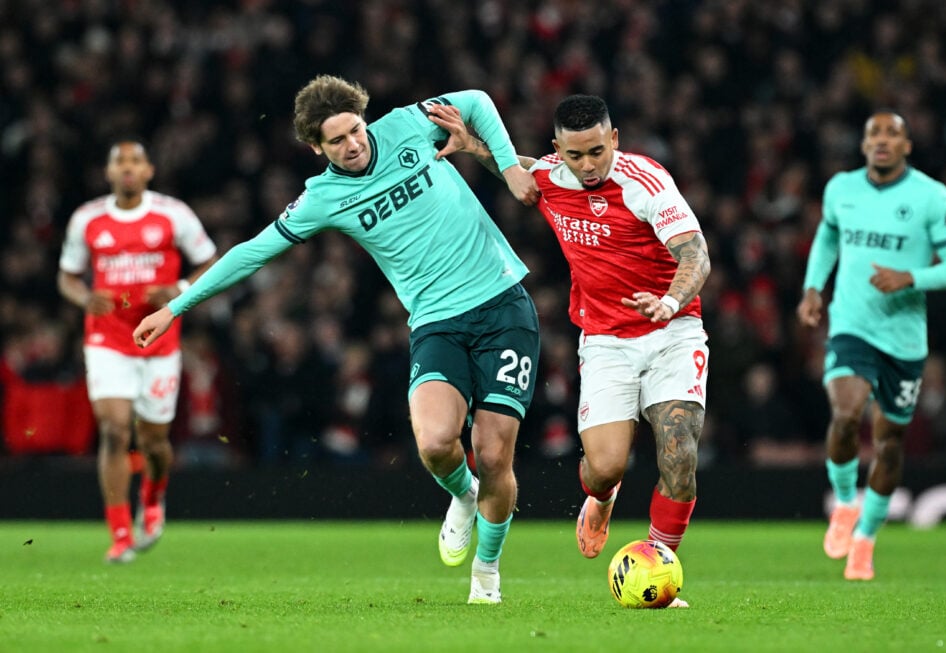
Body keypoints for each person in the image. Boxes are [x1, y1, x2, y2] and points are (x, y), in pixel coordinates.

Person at [132, 76, 540, 604]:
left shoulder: (407, 123)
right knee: (438, 446)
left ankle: (486, 576)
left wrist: (508, 168)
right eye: (339, 140)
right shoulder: (321, 198)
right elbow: (251, 252)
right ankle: (463, 496)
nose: (355, 144)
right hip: (436, 322)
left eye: (356, 130)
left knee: (492, 451)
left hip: (503, 303)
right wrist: (174, 306)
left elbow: (479, 102)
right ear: (315, 149)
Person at [429, 95, 709, 608]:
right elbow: (521, 173)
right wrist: (473, 147)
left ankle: (658, 567)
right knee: (605, 468)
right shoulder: (554, 177)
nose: (587, 165)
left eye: (598, 152)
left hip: (671, 329)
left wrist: (670, 300)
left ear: (615, 141)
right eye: (576, 155)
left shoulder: (646, 182)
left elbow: (696, 253)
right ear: (559, 148)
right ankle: (601, 500)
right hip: (604, 342)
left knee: (680, 451)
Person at [797, 110, 946, 580]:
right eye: (873, 132)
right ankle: (845, 503)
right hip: (851, 325)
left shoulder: (932, 197)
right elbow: (827, 236)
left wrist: (910, 277)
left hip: (903, 338)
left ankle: (866, 538)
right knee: (846, 413)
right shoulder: (841, 189)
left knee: (890, 443)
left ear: (907, 146)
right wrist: (814, 288)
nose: (881, 140)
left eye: (892, 133)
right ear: (863, 144)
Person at [58, 140, 218, 563]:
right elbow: (67, 277)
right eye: (119, 163)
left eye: (134, 162)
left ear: (149, 170)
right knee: (113, 430)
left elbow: (210, 262)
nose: (127, 169)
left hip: (158, 340)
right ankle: (120, 534)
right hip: (107, 339)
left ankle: (153, 494)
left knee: (153, 442)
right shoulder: (87, 219)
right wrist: (83, 298)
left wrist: (180, 289)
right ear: (108, 173)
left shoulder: (173, 213)